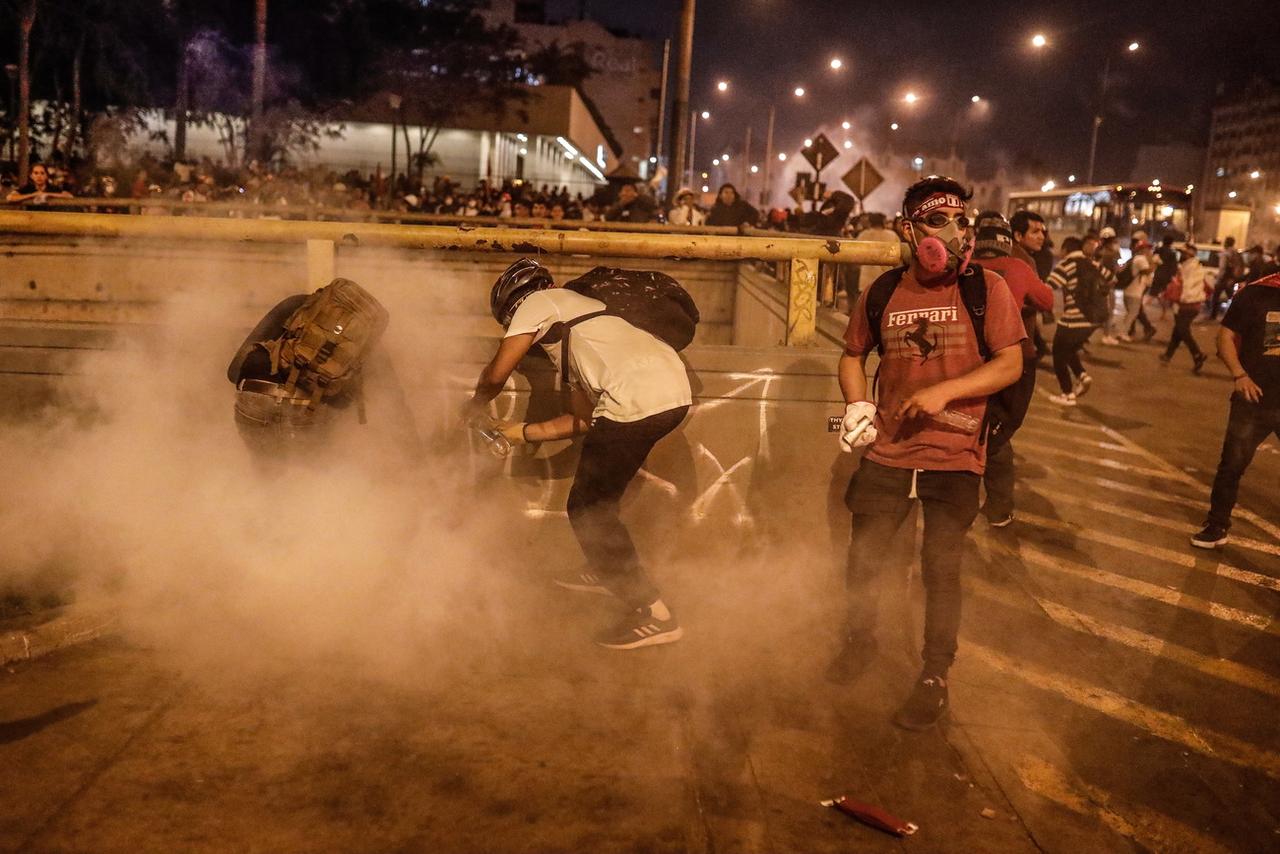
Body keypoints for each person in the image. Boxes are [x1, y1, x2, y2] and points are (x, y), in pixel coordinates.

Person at [829, 176, 1025, 731]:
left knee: (941, 569)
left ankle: (934, 675)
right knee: (863, 557)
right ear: (908, 230)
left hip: (956, 454)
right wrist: (858, 405)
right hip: (887, 452)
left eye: (961, 221)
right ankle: (858, 642)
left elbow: (1010, 363)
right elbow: (851, 355)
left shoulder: (986, 289)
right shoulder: (884, 292)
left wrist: (945, 392)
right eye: (939, 221)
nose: (955, 232)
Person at [467, 259, 692, 649]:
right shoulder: (588, 329)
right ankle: (604, 568)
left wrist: (474, 406)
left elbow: (495, 375)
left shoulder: (541, 302)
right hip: (672, 396)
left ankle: (655, 613)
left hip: (637, 400)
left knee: (588, 509)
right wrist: (518, 434)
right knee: (600, 501)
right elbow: (582, 420)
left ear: (514, 307)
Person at [226, 279, 418, 468]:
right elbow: (395, 403)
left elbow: (234, 371)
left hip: (255, 399)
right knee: (310, 481)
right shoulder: (365, 339)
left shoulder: (295, 304)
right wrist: (417, 461)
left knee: (266, 473)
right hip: (309, 412)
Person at [971, 211, 1054, 527]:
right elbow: (1046, 300)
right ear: (1008, 240)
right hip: (1015, 362)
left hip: (973, 362)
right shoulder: (1019, 268)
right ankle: (998, 508)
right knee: (998, 435)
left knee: (977, 424)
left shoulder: (966, 267)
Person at [1192, 271, 1280, 548]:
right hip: (1254, 399)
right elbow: (1226, 336)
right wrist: (1240, 375)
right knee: (1232, 464)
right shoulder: (1256, 293)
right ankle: (1217, 525)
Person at [1046, 236, 1114, 405]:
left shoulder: (1066, 265)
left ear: (1065, 249)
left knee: (1058, 354)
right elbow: (1112, 278)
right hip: (1094, 319)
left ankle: (1067, 394)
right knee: (1068, 350)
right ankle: (1082, 376)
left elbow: (1048, 288)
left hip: (1073, 319)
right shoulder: (1093, 264)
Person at [1160, 242, 1210, 374]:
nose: (1180, 255)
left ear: (1190, 254)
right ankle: (1168, 355)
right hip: (1186, 303)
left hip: (1189, 304)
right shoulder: (1187, 266)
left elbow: (1187, 288)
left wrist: (1177, 297)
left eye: (1183, 253)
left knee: (1182, 330)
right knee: (1178, 330)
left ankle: (1197, 354)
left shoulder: (1192, 268)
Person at [854, 212, 902, 307]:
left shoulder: (863, 235)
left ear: (870, 222)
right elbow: (899, 255)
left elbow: (855, 254)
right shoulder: (891, 235)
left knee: (866, 306)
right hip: (886, 276)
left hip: (866, 277)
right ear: (883, 222)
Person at [1120, 240, 1157, 342]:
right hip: (1134, 292)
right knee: (1132, 314)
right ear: (1142, 249)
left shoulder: (1135, 258)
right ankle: (1123, 333)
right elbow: (1147, 270)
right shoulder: (1141, 259)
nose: (1150, 251)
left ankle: (1129, 332)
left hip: (1131, 290)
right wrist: (1155, 263)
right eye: (1147, 248)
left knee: (1132, 313)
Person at [5, 163, 74, 206]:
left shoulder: (53, 188)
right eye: (36, 173)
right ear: (31, 176)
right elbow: (10, 197)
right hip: (31, 220)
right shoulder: (28, 188)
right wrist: (33, 194)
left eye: (42, 173)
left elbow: (69, 196)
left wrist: (47, 194)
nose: (39, 176)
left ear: (46, 176)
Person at [1210, 236, 1245, 319]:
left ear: (1226, 242)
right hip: (1232, 279)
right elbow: (1241, 266)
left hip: (1223, 279)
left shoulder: (1225, 254)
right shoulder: (1237, 253)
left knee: (1215, 297)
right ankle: (1236, 314)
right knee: (1232, 297)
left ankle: (1213, 315)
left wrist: (1218, 278)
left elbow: (1222, 268)